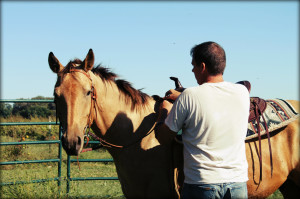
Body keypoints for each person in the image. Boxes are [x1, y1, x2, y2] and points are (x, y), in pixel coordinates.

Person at [156, 41, 250, 199]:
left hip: (202, 185)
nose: (192, 70)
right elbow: (214, 97)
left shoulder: (189, 96)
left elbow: (163, 137)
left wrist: (164, 112)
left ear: (203, 66)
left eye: (193, 66)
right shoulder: (242, 92)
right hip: (237, 183)